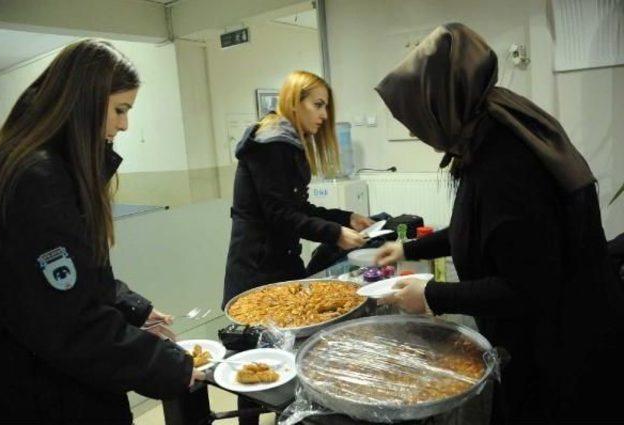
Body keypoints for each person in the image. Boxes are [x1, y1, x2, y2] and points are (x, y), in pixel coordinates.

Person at [374, 23, 624, 424]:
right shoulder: (493, 120)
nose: (411, 130)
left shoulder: (504, 163)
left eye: (415, 117)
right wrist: (409, 248)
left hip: (561, 351)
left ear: (441, 104)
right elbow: (481, 229)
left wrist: (434, 294)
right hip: (556, 329)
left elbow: (526, 288)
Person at [0, 39, 203, 424]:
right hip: (46, 397)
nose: (124, 124)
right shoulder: (37, 180)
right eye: (120, 109)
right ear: (85, 100)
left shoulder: (34, 165)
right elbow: (69, 323)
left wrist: (134, 307)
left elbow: (69, 278)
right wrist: (168, 366)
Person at [222, 70, 372, 425]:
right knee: (254, 361)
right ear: (295, 101)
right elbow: (279, 214)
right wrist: (334, 235)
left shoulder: (286, 143)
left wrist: (345, 218)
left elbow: (298, 207)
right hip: (258, 267)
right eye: (317, 105)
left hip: (280, 262)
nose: (323, 115)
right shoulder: (272, 143)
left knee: (285, 355)